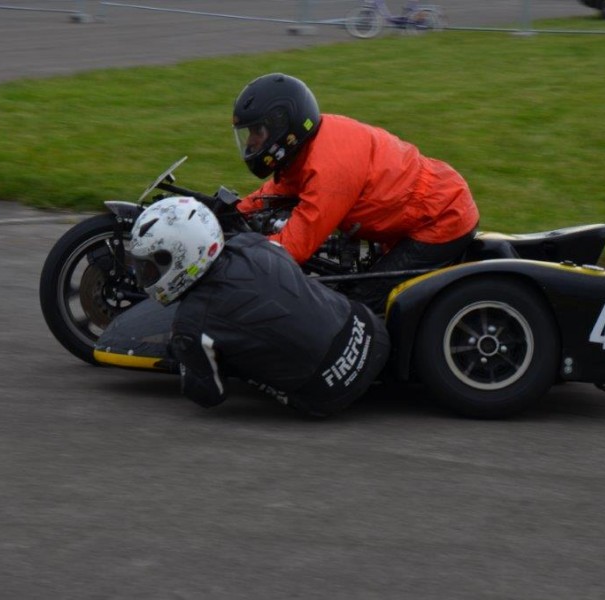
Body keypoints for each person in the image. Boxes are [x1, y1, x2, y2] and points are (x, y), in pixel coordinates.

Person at [232, 72, 480, 313]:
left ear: (283, 128)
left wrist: (235, 251)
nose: (252, 142)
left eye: (257, 131)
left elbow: (292, 249)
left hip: (441, 217)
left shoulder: (330, 168)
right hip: (423, 208)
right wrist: (233, 211)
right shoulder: (309, 144)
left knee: (358, 305)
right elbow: (279, 189)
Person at [129, 196, 391, 417]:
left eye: (152, 266)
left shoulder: (191, 323)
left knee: (228, 353)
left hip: (327, 394)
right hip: (371, 332)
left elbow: (210, 396)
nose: (147, 276)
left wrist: (183, 352)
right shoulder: (252, 242)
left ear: (183, 254)